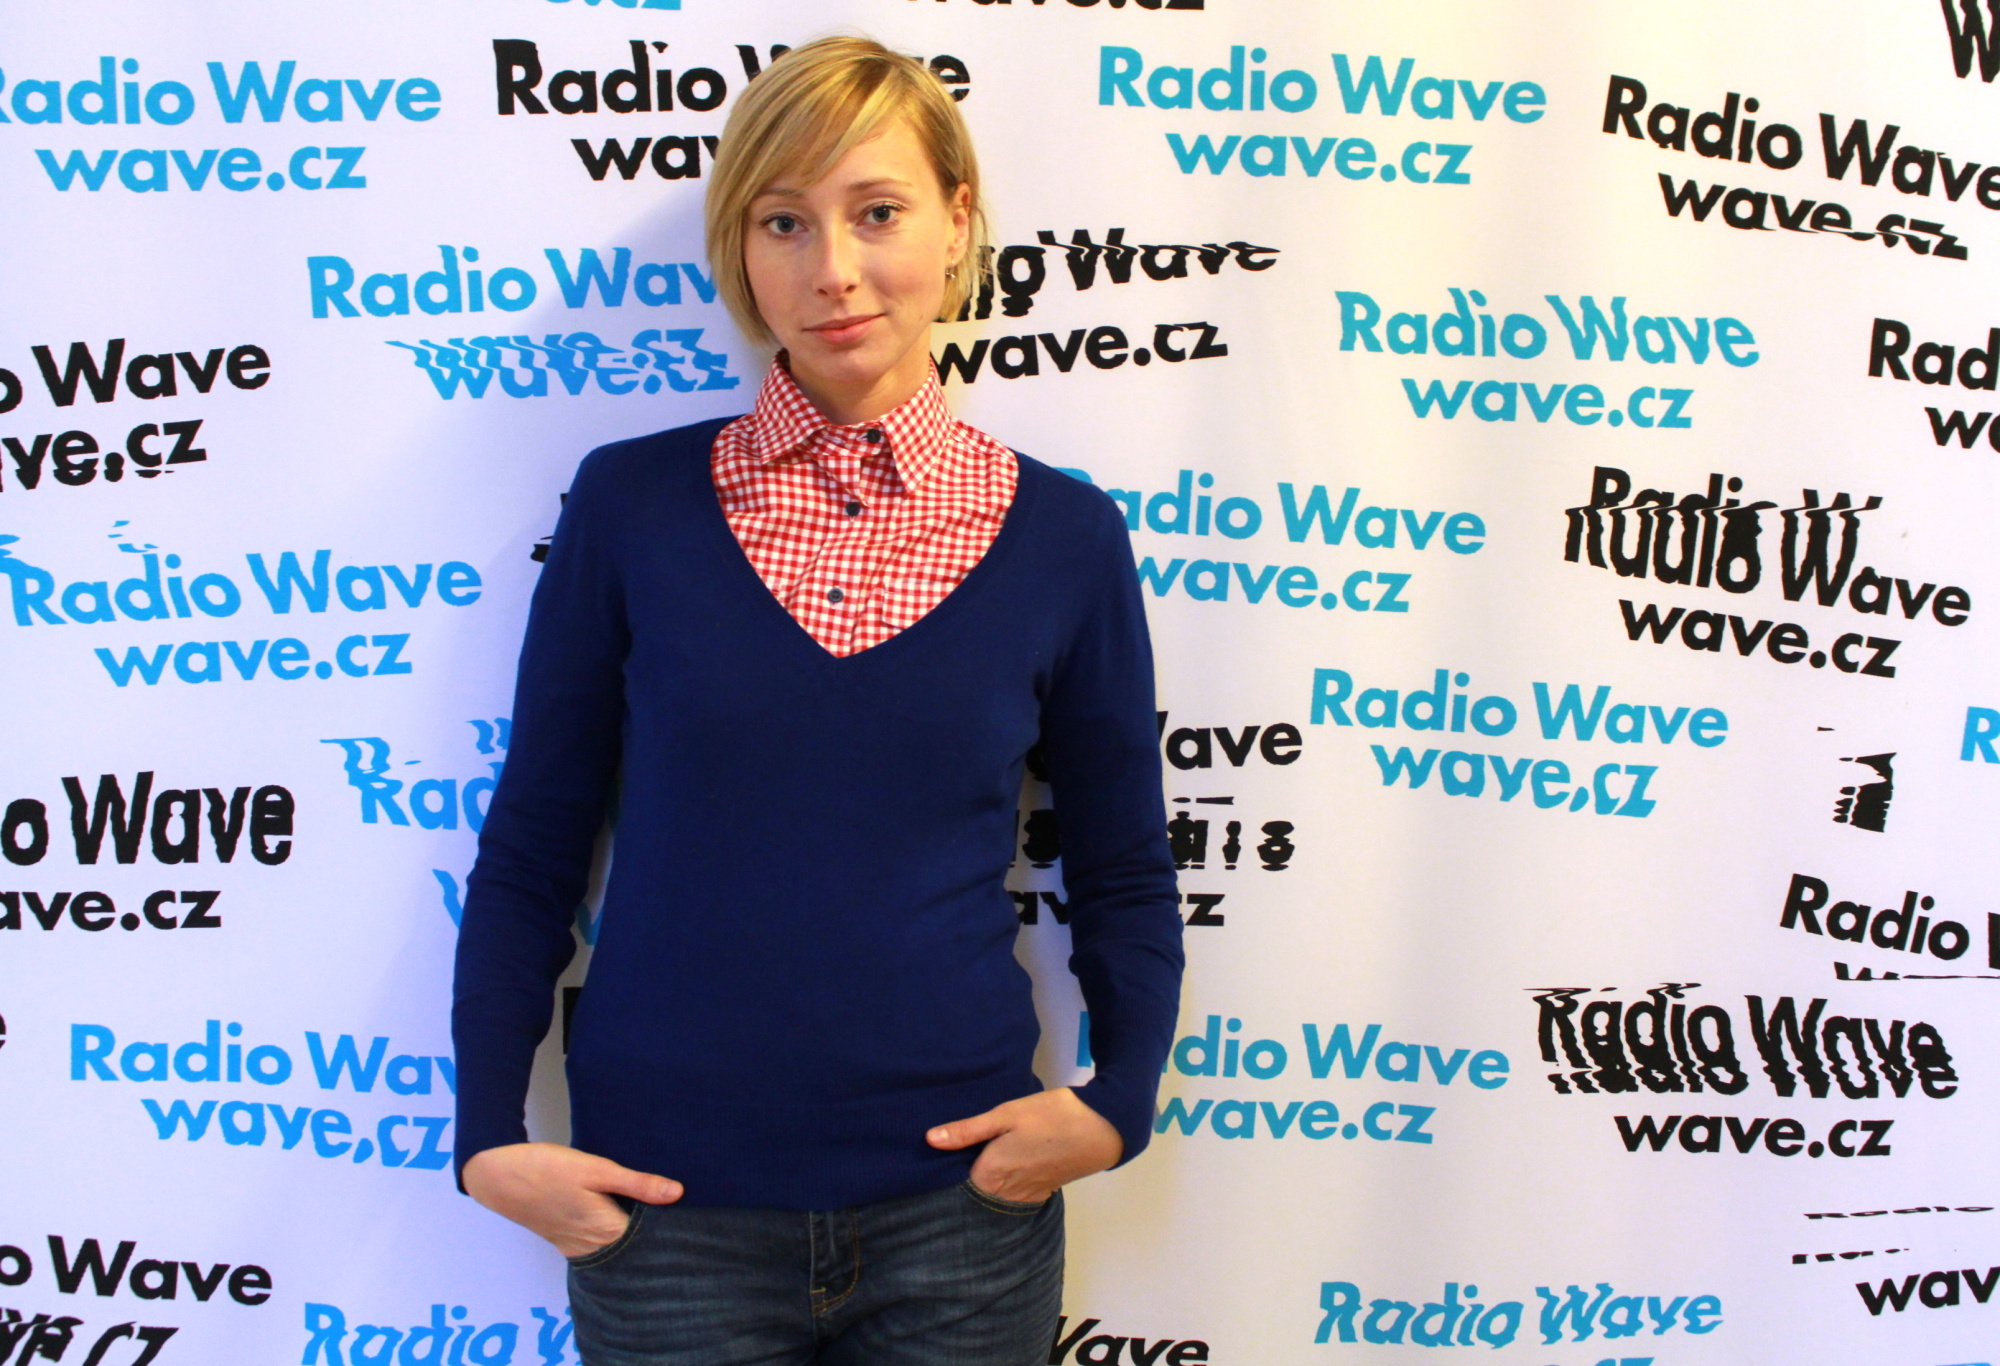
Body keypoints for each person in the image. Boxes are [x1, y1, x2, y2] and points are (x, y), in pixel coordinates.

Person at [451, 35, 1183, 1366]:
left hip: (962, 1217)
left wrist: (1118, 1099)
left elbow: (1123, 861)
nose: (831, 269)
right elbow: (535, 843)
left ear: (957, 221)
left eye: (877, 212)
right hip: (666, 1217)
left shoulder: (1067, 539)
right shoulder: (631, 507)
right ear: (741, 250)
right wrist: (489, 1135)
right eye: (783, 221)